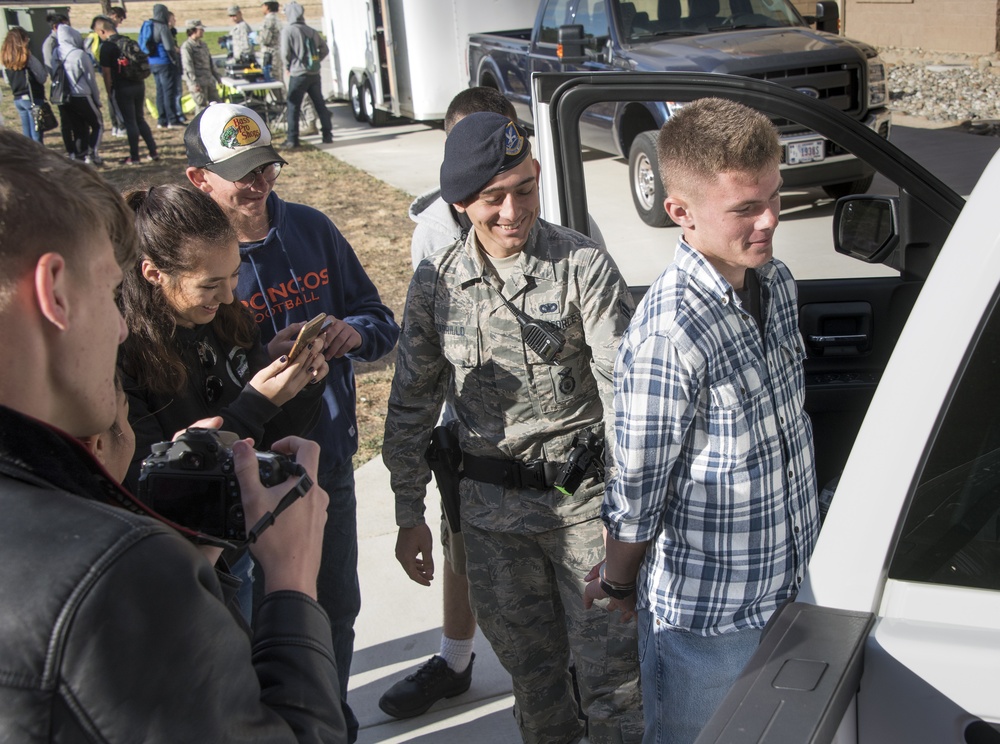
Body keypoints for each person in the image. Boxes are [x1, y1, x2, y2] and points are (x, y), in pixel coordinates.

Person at [0, 126, 348, 742]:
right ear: (54, 292)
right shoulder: (113, 574)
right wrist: (292, 584)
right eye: (110, 294)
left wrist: (288, 390)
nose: (115, 325)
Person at [382, 111, 644, 744]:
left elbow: (629, 405)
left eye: (524, 189)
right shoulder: (436, 283)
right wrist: (408, 511)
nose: (512, 211)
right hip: (493, 525)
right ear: (459, 201)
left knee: (616, 684)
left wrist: (631, 522)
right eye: (491, 198)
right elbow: (412, 403)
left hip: (584, 512)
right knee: (535, 684)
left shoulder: (582, 265)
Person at [583, 97, 820, 744]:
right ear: (680, 213)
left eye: (774, 196)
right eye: (745, 208)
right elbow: (637, 489)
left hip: (792, 589)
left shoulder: (777, 282)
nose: (770, 220)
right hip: (712, 624)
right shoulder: (670, 332)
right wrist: (617, 580)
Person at [185, 102, 400, 743]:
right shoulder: (192, 258)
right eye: (240, 174)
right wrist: (261, 361)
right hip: (237, 481)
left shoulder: (311, 228)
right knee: (247, 627)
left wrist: (350, 333)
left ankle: (331, 721)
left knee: (334, 609)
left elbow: (378, 318)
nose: (258, 186)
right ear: (200, 180)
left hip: (322, 462)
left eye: (266, 168)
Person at [376, 86, 518, 721]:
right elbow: (423, 369)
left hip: (561, 447)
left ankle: (569, 666)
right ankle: (456, 659)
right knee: (464, 543)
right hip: (474, 436)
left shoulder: (556, 207)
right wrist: (411, 501)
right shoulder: (440, 228)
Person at [117, 182, 329, 491]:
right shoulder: (121, 354)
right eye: (209, 284)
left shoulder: (228, 319)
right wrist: (254, 405)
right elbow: (148, 483)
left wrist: (299, 384)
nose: (228, 297)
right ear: (153, 274)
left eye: (234, 275)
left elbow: (277, 435)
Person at [93, 16, 160, 165]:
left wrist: (109, 91)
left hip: (122, 87)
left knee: (130, 122)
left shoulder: (107, 47)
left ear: (102, 31)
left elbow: (106, 72)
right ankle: (153, 151)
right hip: (138, 84)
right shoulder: (128, 41)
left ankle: (134, 157)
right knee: (140, 118)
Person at [280, 1, 333, 148]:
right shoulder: (311, 30)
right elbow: (324, 49)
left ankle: (292, 139)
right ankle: (327, 135)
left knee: (293, 106)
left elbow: (285, 53)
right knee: (320, 104)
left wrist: (288, 66)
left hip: (298, 74)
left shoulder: (288, 31)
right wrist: (316, 62)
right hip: (314, 74)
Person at [57, 24, 104, 165]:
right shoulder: (79, 55)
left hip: (65, 98)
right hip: (82, 95)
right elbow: (90, 78)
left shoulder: (56, 53)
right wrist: (96, 99)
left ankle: (79, 156)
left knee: (78, 128)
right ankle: (92, 154)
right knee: (98, 124)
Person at [1, 26, 48, 143]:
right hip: (33, 98)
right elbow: (41, 77)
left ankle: (28, 157)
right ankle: (38, 157)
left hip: (18, 99)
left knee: (26, 134)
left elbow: (7, 80)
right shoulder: (28, 58)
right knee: (36, 133)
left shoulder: (5, 61)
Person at [147, 3, 184, 128]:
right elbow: (169, 47)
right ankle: (172, 120)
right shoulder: (162, 27)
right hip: (164, 63)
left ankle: (161, 120)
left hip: (153, 62)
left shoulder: (150, 25)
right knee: (169, 92)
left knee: (160, 92)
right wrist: (174, 59)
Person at [181, 19, 223, 113]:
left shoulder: (203, 45)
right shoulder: (187, 47)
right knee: (201, 107)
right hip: (198, 82)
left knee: (217, 104)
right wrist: (194, 83)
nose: (203, 31)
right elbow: (188, 66)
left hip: (209, 80)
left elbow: (210, 62)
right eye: (200, 29)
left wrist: (217, 77)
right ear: (193, 30)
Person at [257, 1, 284, 87]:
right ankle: (282, 99)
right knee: (279, 79)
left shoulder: (268, 20)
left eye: (262, 6)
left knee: (273, 81)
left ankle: (281, 100)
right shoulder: (277, 18)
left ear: (267, 7)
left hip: (270, 55)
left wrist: (256, 38)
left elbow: (265, 40)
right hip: (277, 53)